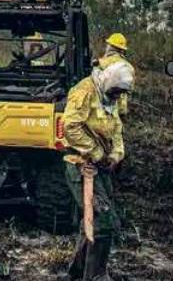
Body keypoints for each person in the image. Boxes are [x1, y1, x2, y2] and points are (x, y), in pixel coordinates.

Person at [62, 59, 134, 281]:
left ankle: (76, 274)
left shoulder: (110, 99)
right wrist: (96, 153)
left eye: (121, 93)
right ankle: (96, 276)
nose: (118, 97)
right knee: (103, 222)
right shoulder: (85, 91)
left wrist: (115, 155)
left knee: (94, 221)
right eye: (116, 92)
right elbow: (70, 127)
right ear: (109, 82)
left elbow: (116, 130)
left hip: (101, 167)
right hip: (81, 165)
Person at [97, 33, 131, 115]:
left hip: (104, 110)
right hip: (121, 110)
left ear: (110, 47)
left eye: (108, 45)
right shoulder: (128, 66)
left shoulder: (101, 63)